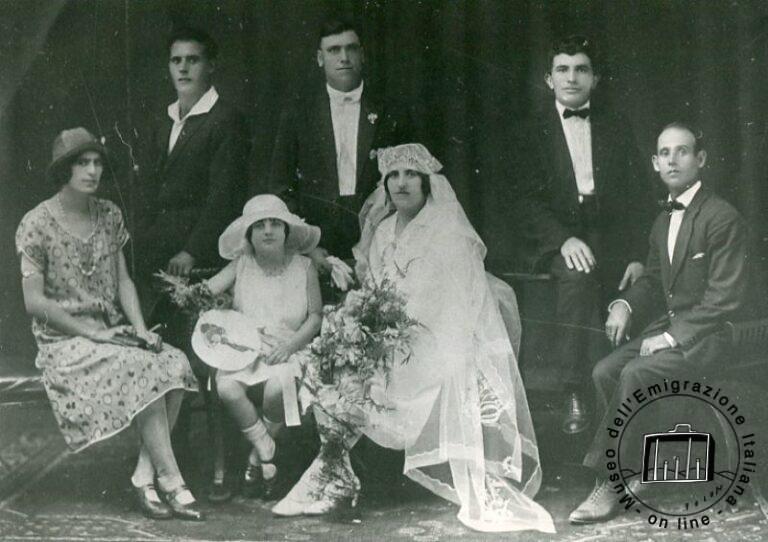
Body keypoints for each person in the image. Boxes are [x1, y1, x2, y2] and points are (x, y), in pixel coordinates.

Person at [272, 144, 555, 533]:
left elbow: (447, 300)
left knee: (369, 372)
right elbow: (375, 283)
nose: (401, 183)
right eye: (394, 176)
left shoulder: (447, 229)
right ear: (385, 185)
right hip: (391, 331)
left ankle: (335, 476)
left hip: (436, 333)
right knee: (336, 364)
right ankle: (333, 473)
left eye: (411, 175)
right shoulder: (384, 229)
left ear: (427, 184)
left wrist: (389, 328)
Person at [15, 128, 202, 521]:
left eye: (98, 162)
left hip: (113, 331)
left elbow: (123, 282)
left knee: (176, 363)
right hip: (66, 341)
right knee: (143, 370)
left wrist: (141, 328)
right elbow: (34, 302)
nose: (92, 170)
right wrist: (93, 333)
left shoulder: (109, 214)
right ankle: (171, 479)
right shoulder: (36, 224)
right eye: (83, 162)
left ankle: (143, 474)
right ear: (64, 169)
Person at [569, 122, 749, 524]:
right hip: (672, 330)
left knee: (635, 373)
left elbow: (725, 299)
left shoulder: (721, 218)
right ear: (654, 162)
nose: (672, 160)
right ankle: (633, 470)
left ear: (700, 159)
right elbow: (652, 279)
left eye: (682, 151)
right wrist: (625, 306)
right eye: (664, 153)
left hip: (709, 336)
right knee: (604, 370)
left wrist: (669, 337)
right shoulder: (662, 219)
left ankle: (610, 482)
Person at [510, 35, 654, 434]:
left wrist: (638, 255)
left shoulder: (615, 125)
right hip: (556, 235)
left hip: (608, 231)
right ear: (548, 79)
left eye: (581, 69)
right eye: (563, 70)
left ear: (595, 78)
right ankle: (575, 389)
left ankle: (626, 396)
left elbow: (638, 195)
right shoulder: (529, 130)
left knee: (637, 282)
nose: (572, 78)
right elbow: (524, 201)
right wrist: (563, 240)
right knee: (577, 275)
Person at [133, 26, 250, 501]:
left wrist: (193, 251)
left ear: (210, 66)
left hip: (196, 262)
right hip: (156, 258)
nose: (183, 68)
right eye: (176, 60)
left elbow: (224, 198)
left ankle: (203, 469)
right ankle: (165, 462)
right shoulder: (163, 121)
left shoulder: (225, 121)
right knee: (154, 359)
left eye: (193, 60)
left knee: (192, 359)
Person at [269, 18, 414, 276]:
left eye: (351, 48)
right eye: (334, 50)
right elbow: (281, 188)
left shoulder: (391, 111)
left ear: (363, 54)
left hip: (379, 241)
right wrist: (308, 245)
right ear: (319, 58)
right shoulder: (297, 114)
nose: (344, 57)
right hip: (315, 243)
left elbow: (410, 185)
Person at [200, 195, 322, 498]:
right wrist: (219, 303)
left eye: (275, 224)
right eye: (259, 226)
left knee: (278, 388)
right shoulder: (242, 265)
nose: (268, 231)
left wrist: (291, 346)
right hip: (245, 348)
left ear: (286, 230)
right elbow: (203, 293)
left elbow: (316, 316)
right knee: (226, 386)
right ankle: (265, 447)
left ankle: (255, 459)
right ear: (249, 235)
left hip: (288, 348)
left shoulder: (304, 267)